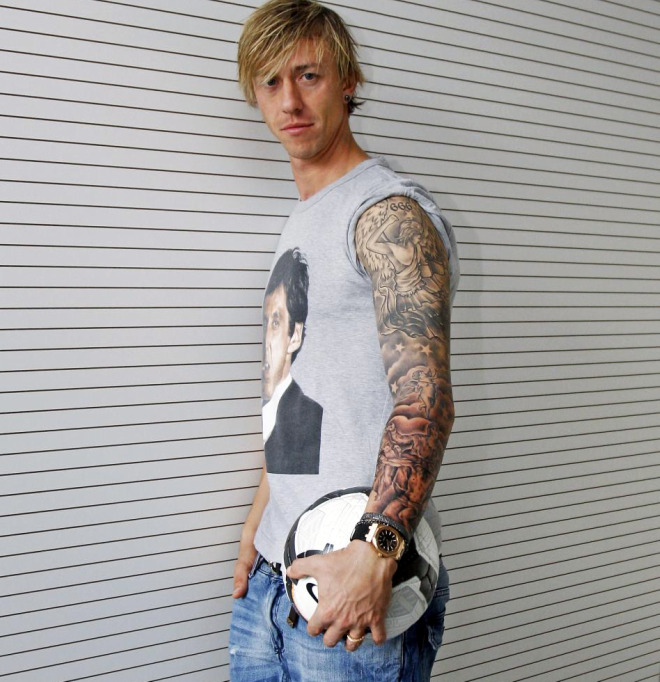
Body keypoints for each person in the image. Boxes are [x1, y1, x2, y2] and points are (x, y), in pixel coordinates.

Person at [229, 1, 460, 680]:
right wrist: (258, 527)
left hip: (355, 590)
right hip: (274, 577)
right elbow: (301, 394)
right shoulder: (303, 219)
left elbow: (426, 400)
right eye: (271, 82)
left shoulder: (387, 215)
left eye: (308, 76)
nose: (290, 101)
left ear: (348, 80)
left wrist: (375, 552)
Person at [262, 248, 323, 474]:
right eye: (265, 322)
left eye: (276, 323)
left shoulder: (310, 419)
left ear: (295, 336)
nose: (266, 340)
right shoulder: (268, 413)